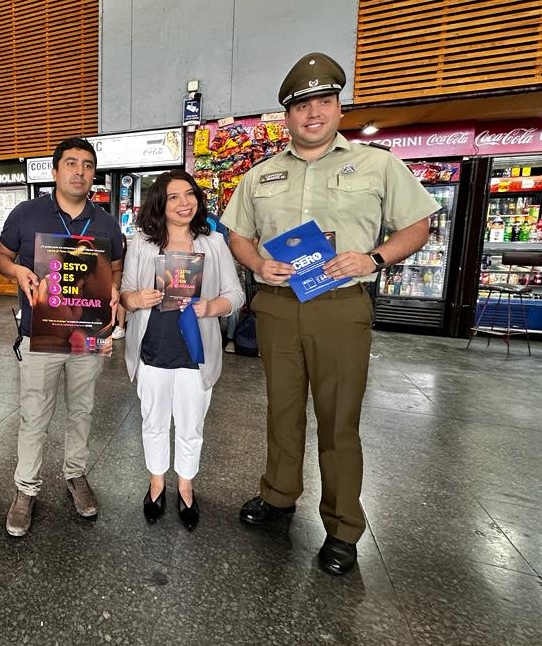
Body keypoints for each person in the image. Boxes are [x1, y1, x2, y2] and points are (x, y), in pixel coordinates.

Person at [221, 52, 439, 575]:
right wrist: (258, 264)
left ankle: (342, 527)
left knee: (339, 421)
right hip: (278, 307)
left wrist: (373, 258)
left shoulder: (377, 164)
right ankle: (278, 496)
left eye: (323, 101)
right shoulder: (260, 175)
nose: (313, 113)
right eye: (302, 105)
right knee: (281, 410)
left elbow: (417, 225)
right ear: (287, 116)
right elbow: (238, 235)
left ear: (340, 108)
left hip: (341, 308)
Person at [0, 137, 124, 537]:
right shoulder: (26, 213)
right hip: (41, 332)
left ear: (93, 174)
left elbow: (115, 267)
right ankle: (25, 488)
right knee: (34, 414)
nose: (79, 172)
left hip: (86, 334)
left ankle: (76, 474)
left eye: (87, 165)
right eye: (71, 163)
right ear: (54, 171)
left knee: (82, 409)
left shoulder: (106, 222)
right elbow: (1, 256)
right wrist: (18, 271)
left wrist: (114, 289)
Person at [120, 171, 244, 530]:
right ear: (160, 203)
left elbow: (236, 295)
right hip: (153, 350)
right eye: (173, 197)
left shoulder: (214, 242)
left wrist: (212, 307)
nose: (183, 203)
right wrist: (136, 299)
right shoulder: (142, 243)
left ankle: (186, 486)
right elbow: (125, 294)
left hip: (195, 353)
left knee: (191, 425)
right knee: (153, 422)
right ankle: (157, 482)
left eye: (189, 194)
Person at [111, 233, 128, 339]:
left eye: (122, 243)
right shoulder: (109, 254)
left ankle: (121, 327)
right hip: (112, 282)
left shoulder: (127, 255)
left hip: (122, 284)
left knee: (121, 299)